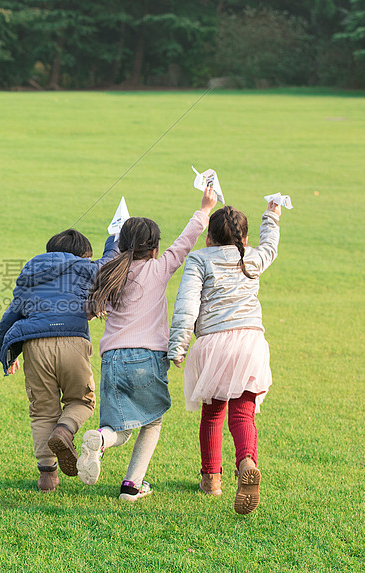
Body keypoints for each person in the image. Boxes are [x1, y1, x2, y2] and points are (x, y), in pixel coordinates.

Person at [77, 188, 218, 501]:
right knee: (151, 421)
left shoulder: (109, 272)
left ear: (121, 244)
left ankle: (101, 439)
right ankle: (132, 485)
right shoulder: (160, 267)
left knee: (120, 428)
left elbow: (87, 309)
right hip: (147, 359)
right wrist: (205, 208)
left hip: (112, 359)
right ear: (155, 249)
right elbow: (186, 240)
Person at [167, 200, 282, 515]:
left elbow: (187, 304)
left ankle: (211, 480)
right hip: (251, 342)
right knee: (243, 414)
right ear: (245, 240)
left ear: (208, 239)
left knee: (213, 414)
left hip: (214, 344)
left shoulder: (199, 259)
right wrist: (271, 214)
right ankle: (246, 461)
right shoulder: (252, 256)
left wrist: (178, 345)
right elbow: (270, 245)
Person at [0, 229, 118, 491]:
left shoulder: (29, 271)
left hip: (34, 345)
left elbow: (9, 317)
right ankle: (64, 430)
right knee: (82, 400)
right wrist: (113, 238)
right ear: (83, 255)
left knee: (42, 410)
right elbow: (109, 263)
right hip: (73, 340)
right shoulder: (84, 266)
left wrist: (7, 355)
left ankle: (47, 476)